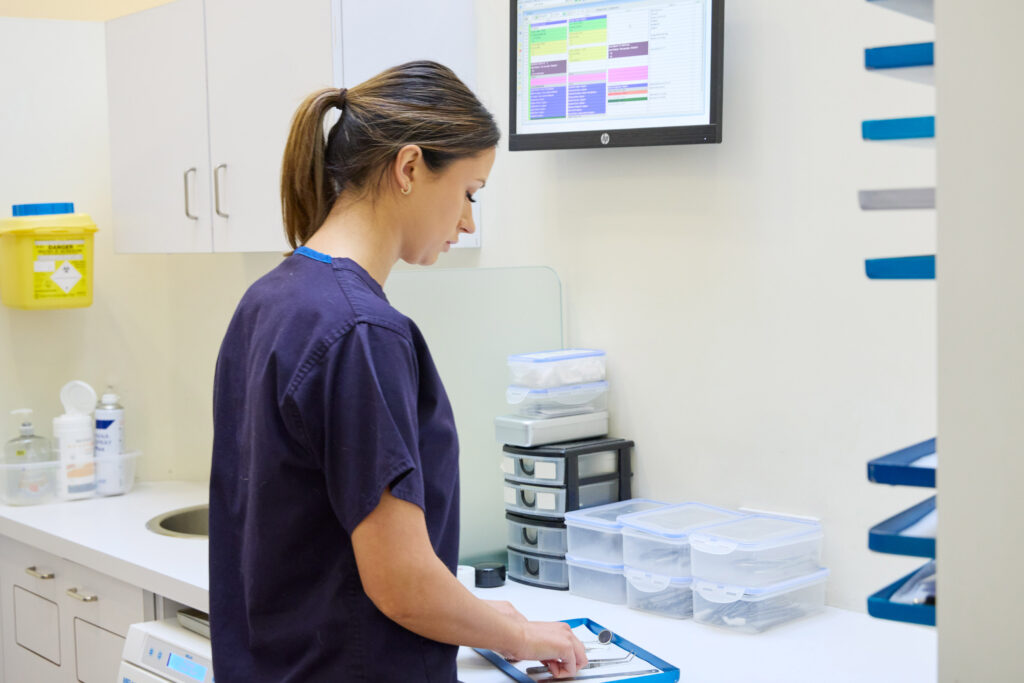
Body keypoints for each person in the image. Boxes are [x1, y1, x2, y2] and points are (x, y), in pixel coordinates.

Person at [209, 61, 587, 682]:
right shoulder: (361, 331)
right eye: (470, 192)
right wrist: (517, 634)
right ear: (409, 168)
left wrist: (476, 613)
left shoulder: (271, 298)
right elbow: (402, 581)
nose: (468, 222)